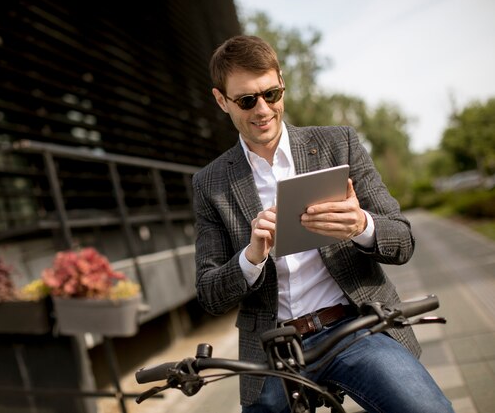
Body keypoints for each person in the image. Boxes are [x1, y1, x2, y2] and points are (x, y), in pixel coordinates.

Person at [192, 35, 453, 413]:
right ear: (221, 101)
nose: (263, 109)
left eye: (272, 93)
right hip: (275, 350)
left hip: (355, 328)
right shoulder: (210, 183)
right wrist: (250, 257)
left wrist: (361, 225)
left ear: (282, 82)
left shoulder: (337, 144)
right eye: (247, 100)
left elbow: (404, 240)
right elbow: (209, 293)